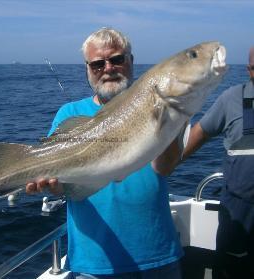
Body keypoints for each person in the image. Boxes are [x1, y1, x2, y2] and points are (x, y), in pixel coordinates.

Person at [26, 27, 183, 278]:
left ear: (131, 61)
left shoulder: (159, 105)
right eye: (98, 64)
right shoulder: (69, 114)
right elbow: (66, 189)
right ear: (87, 69)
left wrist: (175, 118)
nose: (108, 68)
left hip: (157, 256)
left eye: (117, 59)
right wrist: (53, 186)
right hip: (94, 264)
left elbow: (164, 167)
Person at [182, 47, 254, 279]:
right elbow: (200, 133)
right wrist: (162, 167)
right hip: (238, 211)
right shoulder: (232, 98)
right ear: (248, 70)